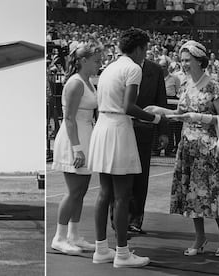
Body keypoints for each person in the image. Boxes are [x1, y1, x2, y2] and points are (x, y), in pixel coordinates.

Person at [145, 40, 219, 257]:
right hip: (187, 147)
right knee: (192, 194)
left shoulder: (214, 86)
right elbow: (179, 114)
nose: (184, 64)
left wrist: (199, 116)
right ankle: (199, 237)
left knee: (214, 192)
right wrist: (158, 110)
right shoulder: (185, 85)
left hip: (208, 149)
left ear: (200, 61)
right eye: (182, 60)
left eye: (188, 60)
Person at [88, 28, 162, 268]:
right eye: (146, 50)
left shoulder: (108, 67)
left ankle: (101, 249)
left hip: (102, 127)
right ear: (139, 49)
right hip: (118, 128)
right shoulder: (133, 68)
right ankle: (122, 253)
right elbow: (130, 106)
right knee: (122, 195)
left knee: (104, 193)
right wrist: (156, 119)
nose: (146, 54)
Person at [51, 43, 101, 255]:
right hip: (74, 139)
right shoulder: (75, 83)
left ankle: (74, 235)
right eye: (97, 60)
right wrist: (77, 149)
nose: (100, 64)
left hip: (86, 135)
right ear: (83, 61)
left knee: (81, 191)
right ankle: (59, 238)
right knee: (73, 192)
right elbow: (69, 118)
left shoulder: (89, 82)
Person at [160, 57, 182, 157]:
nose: (162, 68)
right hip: (161, 102)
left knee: (173, 128)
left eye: (164, 66)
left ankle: (171, 149)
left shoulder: (175, 78)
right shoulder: (157, 78)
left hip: (172, 103)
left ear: (168, 67)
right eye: (161, 67)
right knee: (161, 126)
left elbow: (179, 92)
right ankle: (158, 148)